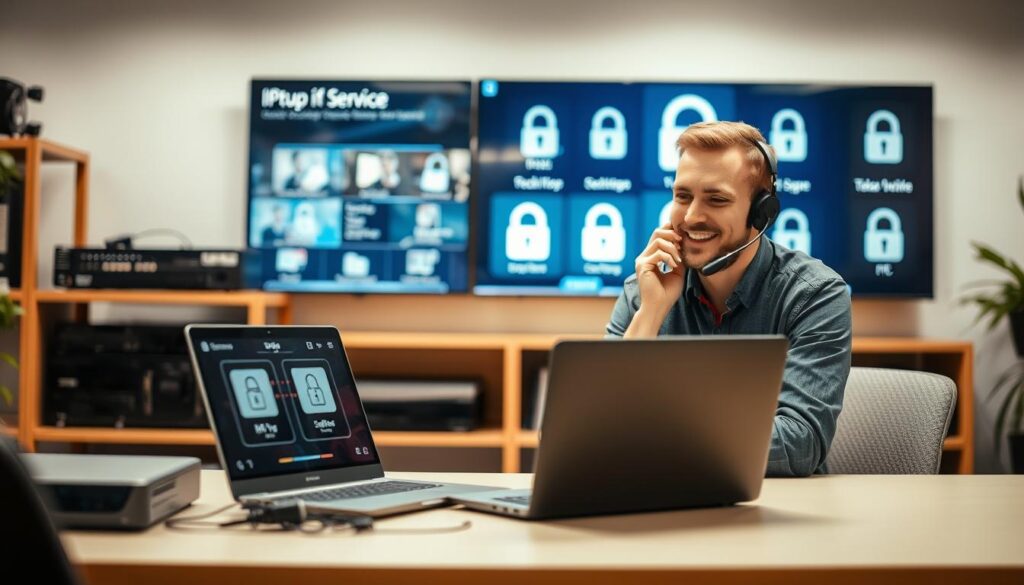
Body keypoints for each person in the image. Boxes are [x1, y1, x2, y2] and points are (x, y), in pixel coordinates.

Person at [605, 121, 852, 477]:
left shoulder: (814, 295)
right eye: (682, 196)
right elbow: (591, 426)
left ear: (760, 212)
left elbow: (800, 443)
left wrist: (649, 439)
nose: (690, 217)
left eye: (716, 199)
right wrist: (652, 312)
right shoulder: (643, 291)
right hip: (661, 506)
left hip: (773, 511)